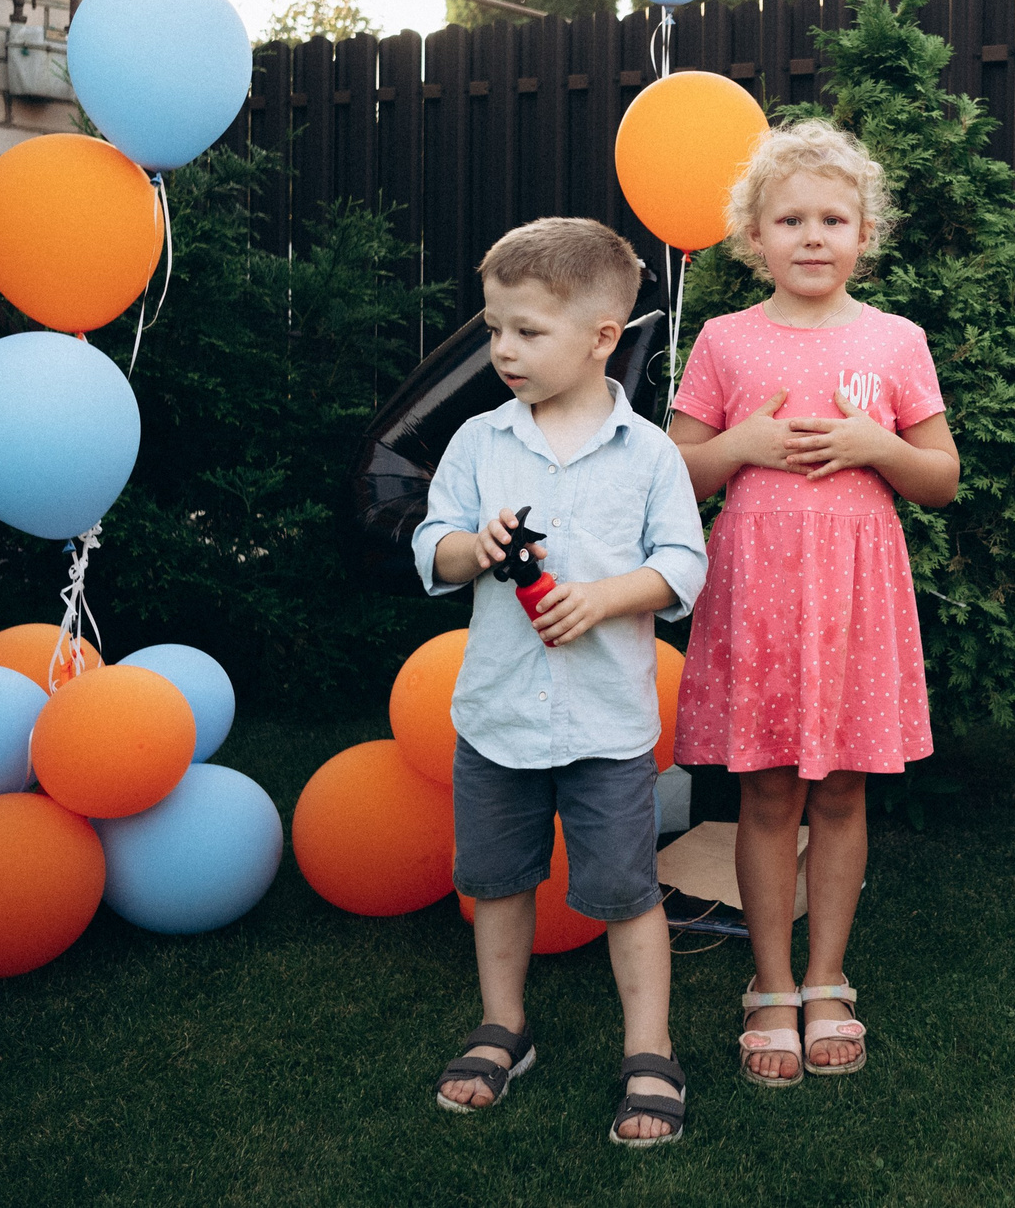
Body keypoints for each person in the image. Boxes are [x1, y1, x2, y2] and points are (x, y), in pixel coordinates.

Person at [668, 120, 961, 1087]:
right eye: (789, 218)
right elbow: (675, 473)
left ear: (864, 233)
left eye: (833, 218)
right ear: (754, 236)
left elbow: (941, 477)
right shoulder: (724, 339)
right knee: (766, 788)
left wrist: (878, 447)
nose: (812, 235)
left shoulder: (896, 340)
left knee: (842, 788)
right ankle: (769, 985)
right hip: (758, 594)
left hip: (855, 600)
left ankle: (828, 978)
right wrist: (740, 445)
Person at [412, 217, 707, 1147]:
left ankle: (649, 1048)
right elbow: (434, 543)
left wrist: (608, 597)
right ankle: (505, 1026)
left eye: (528, 331)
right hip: (496, 717)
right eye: (496, 326)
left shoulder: (651, 454)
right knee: (497, 882)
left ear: (602, 337)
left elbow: (682, 566)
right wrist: (475, 547)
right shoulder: (476, 442)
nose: (504, 348)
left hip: (607, 726)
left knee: (627, 888)